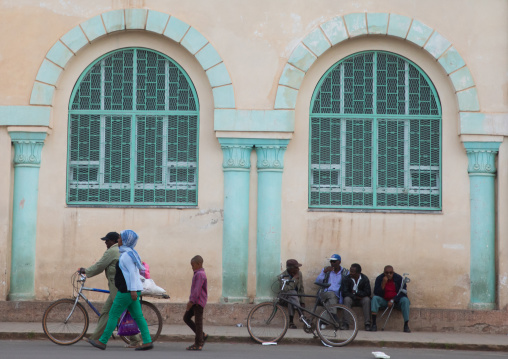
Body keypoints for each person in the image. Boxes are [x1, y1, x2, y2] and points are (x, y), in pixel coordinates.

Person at [88, 230, 154, 350]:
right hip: (132, 290)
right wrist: (134, 291)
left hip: (126, 291)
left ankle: (102, 341)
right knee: (138, 316)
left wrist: (132, 291)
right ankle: (147, 341)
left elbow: (133, 274)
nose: (118, 240)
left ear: (124, 241)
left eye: (120, 239)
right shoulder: (130, 253)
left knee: (113, 315)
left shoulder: (126, 256)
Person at [79, 232, 142, 348]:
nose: (105, 242)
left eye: (107, 240)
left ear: (113, 241)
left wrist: (86, 271)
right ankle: (95, 338)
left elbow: (99, 265)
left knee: (119, 313)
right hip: (117, 286)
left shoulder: (112, 251)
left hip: (118, 287)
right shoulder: (120, 250)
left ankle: (135, 340)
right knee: (106, 312)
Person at [371, 265, 411, 333]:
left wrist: (393, 300)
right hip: (385, 300)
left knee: (405, 300)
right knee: (375, 298)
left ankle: (406, 325)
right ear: (384, 273)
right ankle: (374, 324)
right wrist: (383, 284)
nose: (389, 274)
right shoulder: (380, 278)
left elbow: (403, 293)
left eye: (391, 273)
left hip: (396, 301)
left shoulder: (399, 278)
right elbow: (376, 292)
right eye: (387, 273)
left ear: (393, 272)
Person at [315, 254, 349, 329]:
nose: (332, 263)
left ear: (339, 262)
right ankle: (334, 317)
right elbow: (318, 281)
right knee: (331, 295)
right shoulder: (326, 270)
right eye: (331, 261)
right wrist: (324, 272)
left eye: (334, 261)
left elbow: (347, 284)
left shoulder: (345, 272)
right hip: (324, 294)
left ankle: (323, 322)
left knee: (330, 301)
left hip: (337, 296)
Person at [184, 255, 209, 351]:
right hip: (195, 301)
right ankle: (202, 335)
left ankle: (198, 343)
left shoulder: (200, 274)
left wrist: (191, 301)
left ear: (199, 264)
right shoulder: (198, 273)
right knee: (186, 318)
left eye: (193, 265)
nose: (192, 267)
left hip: (197, 302)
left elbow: (197, 290)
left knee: (198, 323)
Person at [342, 263, 372, 331]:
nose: (350, 273)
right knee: (346, 299)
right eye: (350, 271)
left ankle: (367, 324)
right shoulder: (346, 279)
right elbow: (344, 292)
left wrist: (356, 292)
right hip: (352, 299)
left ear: (358, 273)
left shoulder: (364, 279)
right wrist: (355, 297)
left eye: (353, 272)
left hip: (361, 299)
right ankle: (346, 324)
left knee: (367, 300)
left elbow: (368, 292)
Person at [278, 259, 305, 329]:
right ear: (290, 269)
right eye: (296, 268)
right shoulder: (282, 276)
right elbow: (286, 289)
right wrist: (294, 279)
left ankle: (291, 322)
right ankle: (301, 314)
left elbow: (301, 288)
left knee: (291, 299)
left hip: (293, 299)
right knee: (291, 293)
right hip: (284, 298)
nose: (298, 269)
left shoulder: (299, 273)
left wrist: (302, 301)